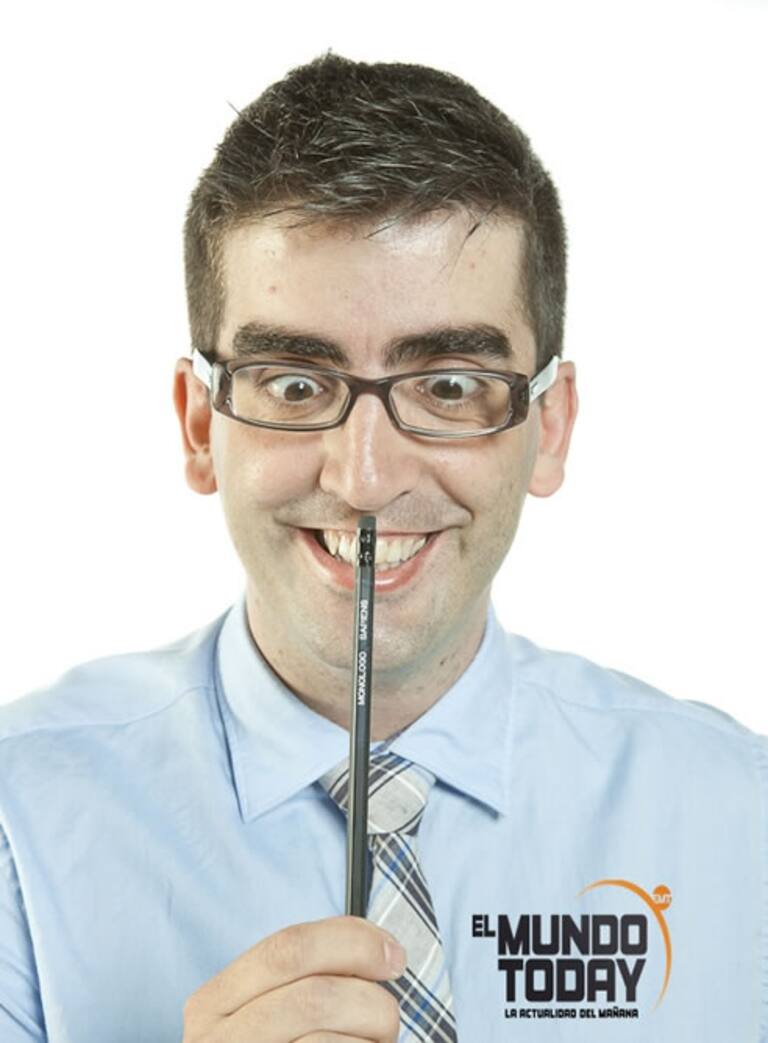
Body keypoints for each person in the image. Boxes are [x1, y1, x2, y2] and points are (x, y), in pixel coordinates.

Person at [0, 52, 765, 1043]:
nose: (364, 479)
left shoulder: (737, 819)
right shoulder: (20, 824)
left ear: (550, 427)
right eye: (294, 383)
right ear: (198, 424)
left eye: (449, 386)